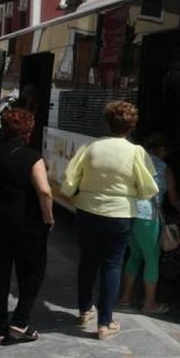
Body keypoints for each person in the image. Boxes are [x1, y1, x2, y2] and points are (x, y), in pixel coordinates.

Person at [61, 101, 158, 340]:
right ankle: (105, 323)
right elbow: (148, 189)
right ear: (131, 125)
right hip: (120, 215)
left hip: (87, 211)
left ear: (107, 121)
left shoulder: (89, 147)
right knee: (112, 265)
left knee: (87, 261)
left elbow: (69, 183)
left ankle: (85, 309)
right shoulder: (136, 152)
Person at [0, 108, 54, 345]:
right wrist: (48, 217)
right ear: (29, 130)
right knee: (32, 273)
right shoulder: (32, 157)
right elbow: (44, 191)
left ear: (3, 129)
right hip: (26, 227)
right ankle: (21, 320)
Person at [118, 133, 180, 315]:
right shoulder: (163, 167)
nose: (167, 154)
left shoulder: (135, 160)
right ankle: (149, 303)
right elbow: (173, 198)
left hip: (128, 213)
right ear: (160, 149)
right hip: (147, 217)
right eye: (166, 150)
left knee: (134, 256)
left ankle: (125, 298)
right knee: (151, 259)